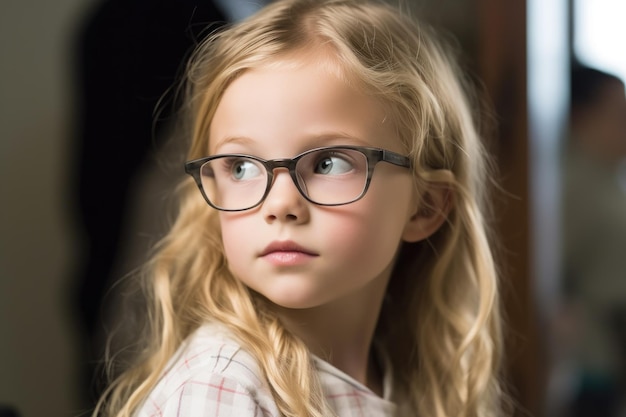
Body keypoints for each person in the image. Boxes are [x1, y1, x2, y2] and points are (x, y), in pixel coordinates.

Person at [93, 0, 507, 416]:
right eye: (240, 167)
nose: (280, 205)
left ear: (426, 207)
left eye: (328, 163)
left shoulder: (406, 382)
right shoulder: (222, 388)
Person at [559, 64, 626, 417]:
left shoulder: (606, 179)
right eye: (618, 114)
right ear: (582, 118)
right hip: (592, 366)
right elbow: (555, 271)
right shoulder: (574, 186)